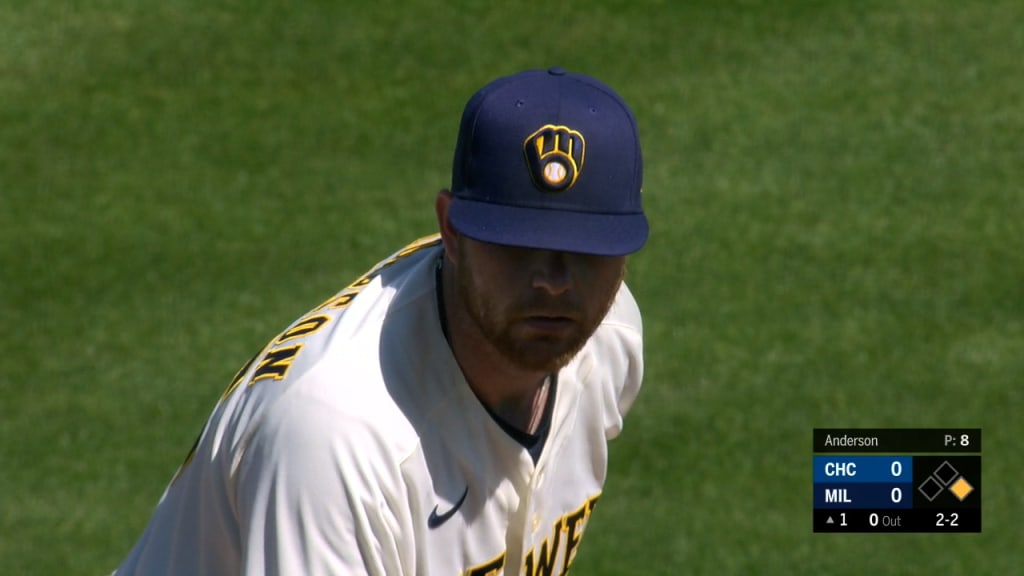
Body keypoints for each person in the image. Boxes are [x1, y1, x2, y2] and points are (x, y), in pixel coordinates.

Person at [114, 66, 649, 576]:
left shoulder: (610, 339)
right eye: (518, 246)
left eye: (586, 250)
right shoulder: (338, 436)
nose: (553, 281)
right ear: (453, 232)